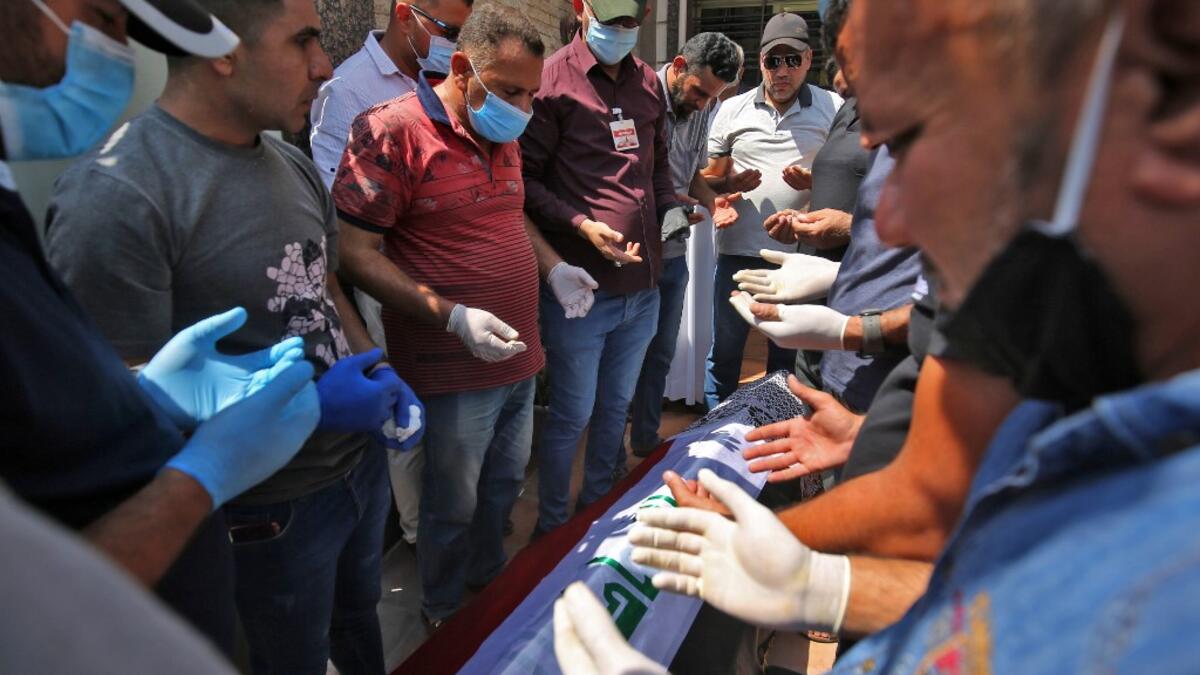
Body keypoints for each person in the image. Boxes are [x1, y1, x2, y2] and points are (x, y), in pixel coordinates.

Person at [571, 0, 1200, 671]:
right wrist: (826, 583)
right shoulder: (1076, 383)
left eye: (912, 139)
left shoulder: (1165, 584)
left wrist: (852, 331)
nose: (891, 224)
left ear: (1161, 83)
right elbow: (990, 584)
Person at [45, 1, 413, 672]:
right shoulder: (120, 196)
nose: (325, 67)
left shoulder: (288, 162)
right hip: (265, 511)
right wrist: (294, 411)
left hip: (355, 470)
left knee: (359, 619)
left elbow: (325, 284)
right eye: (303, 41)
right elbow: (113, 405)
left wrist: (374, 366)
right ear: (221, 51)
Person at [0, 0, 323, 657]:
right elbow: (26, 616)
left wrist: (145, 395)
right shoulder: (112, 195)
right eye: (103, 16)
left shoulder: (288, 162)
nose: (117, 53)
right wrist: (200, 475)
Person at [335, 4, 584, 627]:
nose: (522, 108)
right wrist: (450, 317)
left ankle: (486, 583)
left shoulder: (503, 133)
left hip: (518, 358)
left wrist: (553, 267)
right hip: (452, 368)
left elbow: (509, 217)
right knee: (452, 502)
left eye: (530, 94)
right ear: (463, 68)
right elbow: (354, 253)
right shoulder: (390, 131)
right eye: (509, 91)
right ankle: (444, 607)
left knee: (503, 486)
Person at [309, 0, 473, 550]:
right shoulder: (348, 90)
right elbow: (338, 205)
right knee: (407, 411)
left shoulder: (447, 78)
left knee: (454, 414)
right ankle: (418, 534)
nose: (455, 43)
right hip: (391, 283)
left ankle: (455, 521)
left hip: (452, 280)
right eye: (447, 30)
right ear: (406, 15)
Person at [520, 0, 687, 536]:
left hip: (643, 288)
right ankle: (552, 530)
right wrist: (580, 225)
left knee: (615, 408)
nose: (619, 31)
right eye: (609, 20)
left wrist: (672, 207)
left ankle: (594, 516)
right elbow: (523, 182)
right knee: (572, 414)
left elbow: (656, 165)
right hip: (584, 293)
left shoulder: (647, 83)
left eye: (629, 22)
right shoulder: (550, 82)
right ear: (582, 8)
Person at [703, 11, 843, 410]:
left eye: (792, 60)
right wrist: (728, 186)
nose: (782, 71)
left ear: (809, 60)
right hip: (738, 255)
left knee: (786, 357)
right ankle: (717, 430)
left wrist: (815, 182)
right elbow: (709, 178)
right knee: (725, 352)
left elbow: (847, 175)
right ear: (760, 60)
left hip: (799, 260)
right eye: (773, 60)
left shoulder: (833, 107)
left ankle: (776, 432)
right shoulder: (732, 109)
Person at [626, 31, 742, 459]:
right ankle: (607, 452)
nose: (704, 104)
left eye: (713, 97)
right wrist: (668, 204)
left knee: (660, 352)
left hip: (673, 253)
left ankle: (644, 438)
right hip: (632, 254)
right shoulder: (638, 99)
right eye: (699, 92)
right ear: (678, 67)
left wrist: (712, 202)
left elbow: (692, 174)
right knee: (624, 358)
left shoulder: (700, 110)